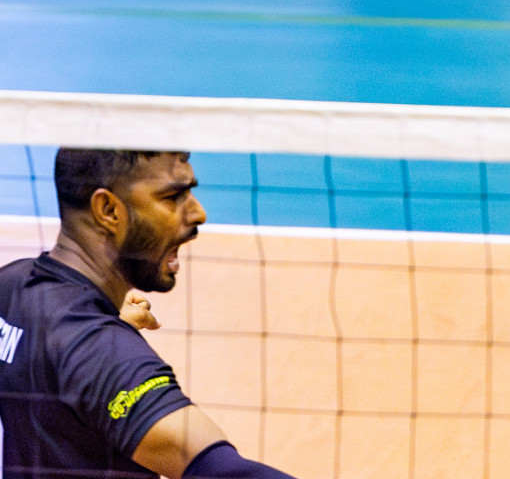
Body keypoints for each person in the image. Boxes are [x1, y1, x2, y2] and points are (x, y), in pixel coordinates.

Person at [0, 149, 299, 479]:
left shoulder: (10, 286)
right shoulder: (102, 350)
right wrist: (96, 341)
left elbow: (52, 353)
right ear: (109, 210)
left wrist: (95, 328)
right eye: (173, 196)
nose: (198, 213)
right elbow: (217, 469)